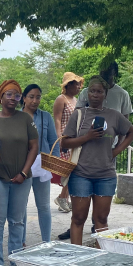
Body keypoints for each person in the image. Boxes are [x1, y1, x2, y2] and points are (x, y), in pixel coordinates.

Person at [59, 61, 133, 240]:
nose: (95, 94)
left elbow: (132, 132)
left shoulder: (114, 115)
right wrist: (87, 137)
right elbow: (64, 144)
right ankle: (78, 256)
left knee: (101, 219)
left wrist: (116, 150)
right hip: (81, 174)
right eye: (92, 91)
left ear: (105, 94)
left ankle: (100, 258)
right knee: (78, 218)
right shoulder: (79, 114)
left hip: (105, 175)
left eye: (99, 91)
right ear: (87, 93)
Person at [0, 80, 38, 266]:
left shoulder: (26, 119)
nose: (13, 98)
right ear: (0, 96)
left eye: (17, 95)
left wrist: (24, 173)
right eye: (9, 94)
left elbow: (34, 148)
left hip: (22, 178)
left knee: (17, 221)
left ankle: (16, 260)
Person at [22, 84, 59, 243]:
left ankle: (46, 242)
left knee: (43, 206)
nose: (34, 100)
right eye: (31, 96)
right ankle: (20, 242)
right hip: (22, 167)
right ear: (23, 98)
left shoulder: (45, 117)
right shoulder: (16, 116)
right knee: (20, 207)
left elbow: (53, 141)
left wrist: (55, 163)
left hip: (42, 166)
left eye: (38, 97)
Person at [52, 72, 83, 214]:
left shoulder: (75, 100)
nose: (78, 86)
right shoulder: (61, 99)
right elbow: (57, 119)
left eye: (78, 83)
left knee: (74, 169)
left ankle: (64, 197)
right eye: (75, 83)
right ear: (68, 85)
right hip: (65, 136)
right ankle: (62, 197)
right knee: (70, 169)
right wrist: (59, 137)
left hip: (75, 138)